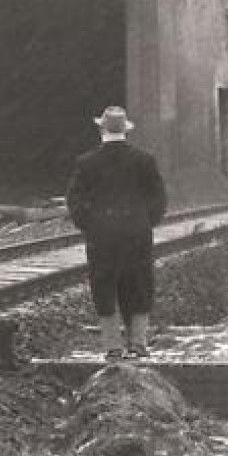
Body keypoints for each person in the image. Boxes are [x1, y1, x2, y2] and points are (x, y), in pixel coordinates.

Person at [65, 105, 167, 359]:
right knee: (139, 284)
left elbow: (74, 201)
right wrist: (144, 221)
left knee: (104, 285)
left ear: (101, 129)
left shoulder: (86, 163)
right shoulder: (144, 160)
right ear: (126, 130)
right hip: (136, 233)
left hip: (102, 235)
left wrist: (90, 224)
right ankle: (138, 344)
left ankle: (112, 347)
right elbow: (159, 198)